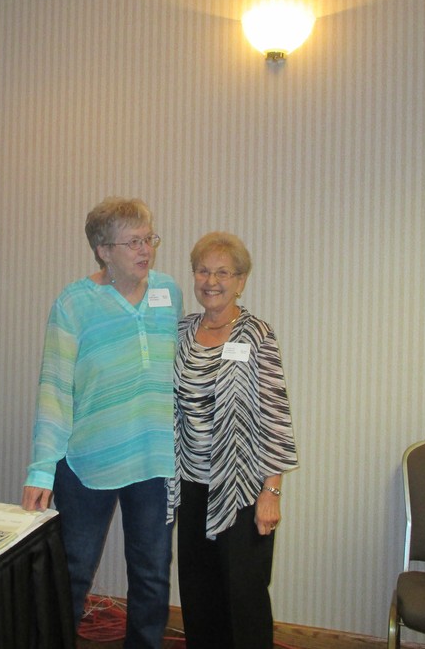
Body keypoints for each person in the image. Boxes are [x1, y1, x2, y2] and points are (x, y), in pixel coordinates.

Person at [21, 197, 183, 649]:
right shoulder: (74, 303)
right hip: (87, 463)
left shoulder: (169, 293)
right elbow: (54, 389)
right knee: (72, 571)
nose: (146, 250)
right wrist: (41, 469)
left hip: (153, 463)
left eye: (148, 238)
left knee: (152, 575)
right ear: (103, 250)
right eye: (133, 242)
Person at [168, 232, 298, 649]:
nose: (211, 281)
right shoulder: (182, 331)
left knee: (244, 595)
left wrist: (271, 491)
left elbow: (275, 415)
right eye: (203, 271)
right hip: (192, 485)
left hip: (242, 489)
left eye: (223, 272)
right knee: (198, 591)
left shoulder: (256, 334)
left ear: (240, 281)